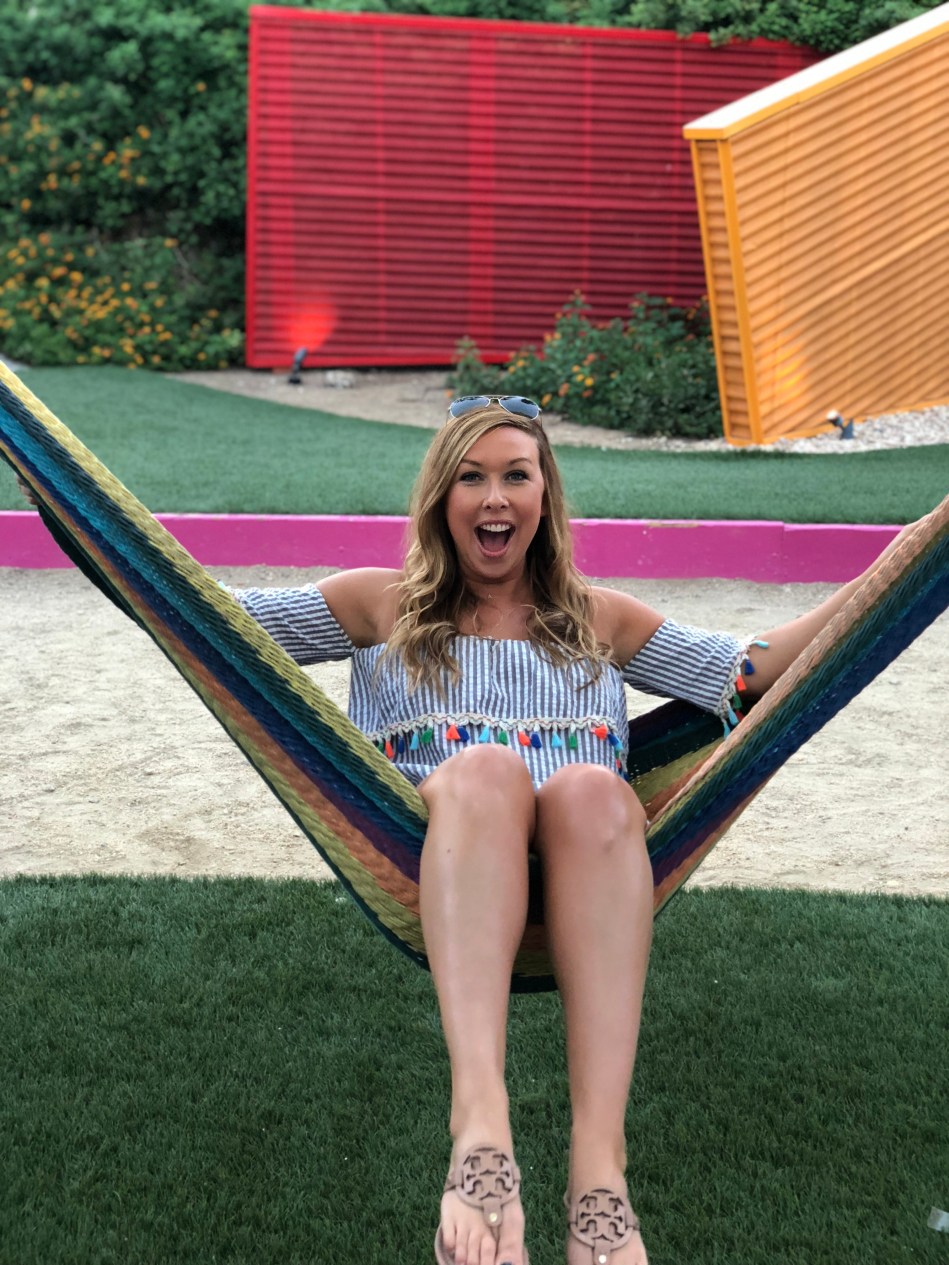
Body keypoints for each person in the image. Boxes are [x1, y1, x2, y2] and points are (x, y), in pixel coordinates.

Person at [216, 395, 926, 1265]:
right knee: (488, 771)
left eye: (516, 475)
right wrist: (116, 545)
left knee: (594, 788)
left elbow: (747, 671)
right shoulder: (379, 604)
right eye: (470, 477)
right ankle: (480, 1133)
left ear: (544, 495)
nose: (494, 497)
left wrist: (907, 556)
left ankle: (599, 1173)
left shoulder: (598, 618)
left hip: (582, 870)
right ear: (440, 498)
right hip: (438, 850)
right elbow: (211, 620)